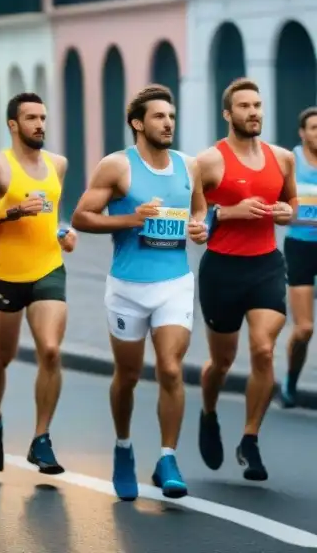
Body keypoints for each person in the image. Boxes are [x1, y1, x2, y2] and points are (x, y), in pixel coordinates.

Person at [71, 86, 209, 500]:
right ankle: (124, 447)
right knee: (128, 375)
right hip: (127, 287)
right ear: (137, 123)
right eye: (159, 116)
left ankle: (168, 457)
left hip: (175, 284)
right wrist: (133, 219)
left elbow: (199, 208)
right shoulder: (116, 167)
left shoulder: (190, 166)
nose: (168, 123)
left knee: (170, 368)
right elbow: (81, 216)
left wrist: (202, 227)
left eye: (171, 116)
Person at [0, 92, 77, 476]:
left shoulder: (58, 164)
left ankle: (41, 438)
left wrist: (66, 232)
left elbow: (55, 215)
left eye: (43, 117)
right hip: (5, 273)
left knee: (50, 350)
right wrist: (12, 211)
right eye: (31, 118)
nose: (40, 125)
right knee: (3, 356)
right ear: (13, 124)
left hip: (48, 266)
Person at [195, 78, 296, 481]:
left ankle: (250, 440)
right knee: (221, 362)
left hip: (266, 265)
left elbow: (291, 202)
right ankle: (208, 413)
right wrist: (229, 212)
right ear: (227, 114)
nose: (253, 112)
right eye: (244, 106)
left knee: (264, 351)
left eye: (257, 105)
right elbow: (195, 221)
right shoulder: (207, 162)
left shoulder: (282, 158)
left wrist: (290, 212)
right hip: (222, 270)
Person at [282, 106, 317, 408]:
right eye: (314, 127)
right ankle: (291, 381)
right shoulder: (289, 163)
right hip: (301, 248)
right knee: (305, 328)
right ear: (302, 133)